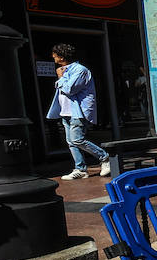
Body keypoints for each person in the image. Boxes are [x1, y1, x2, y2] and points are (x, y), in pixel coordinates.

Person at [47, 43, 111, 180]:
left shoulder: (80, 70)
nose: (53, 57)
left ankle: (105, 157)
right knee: (71, 141)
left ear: (61, 56)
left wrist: (60, 78)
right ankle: (80, 169)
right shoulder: (65, 70)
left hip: (78, 111)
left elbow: (70, 89)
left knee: (77, 139)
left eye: (55, 55)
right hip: (65, 111)